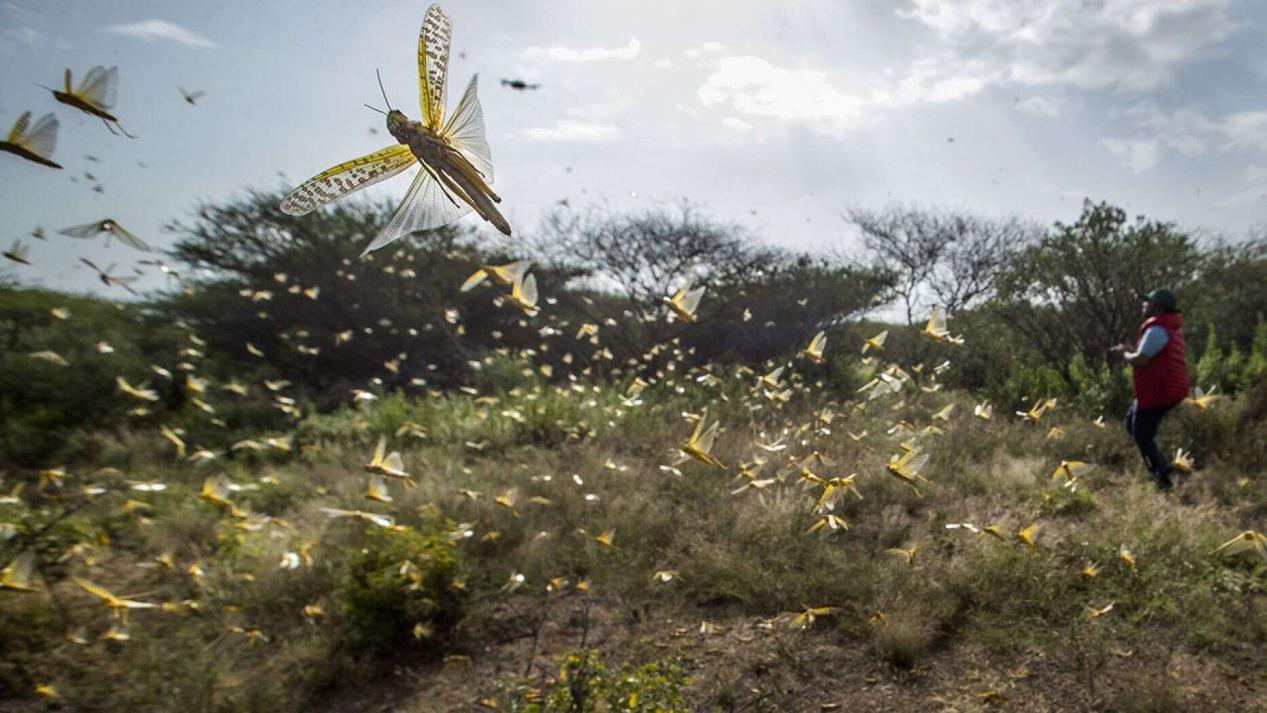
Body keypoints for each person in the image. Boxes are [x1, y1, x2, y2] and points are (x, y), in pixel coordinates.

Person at [1111, 288, 1189, 491]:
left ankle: (1162, 480)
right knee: (1132, 423)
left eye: (1147, 302)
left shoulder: (1157, 330)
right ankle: (1163, 467)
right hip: (1161, 389)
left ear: (1158, 307)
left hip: (1160, 392)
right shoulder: (1166, 328)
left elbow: (1141, 361)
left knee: (1142, 435)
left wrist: (1124, 354)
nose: (1143, 305)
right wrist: (1131, 351)